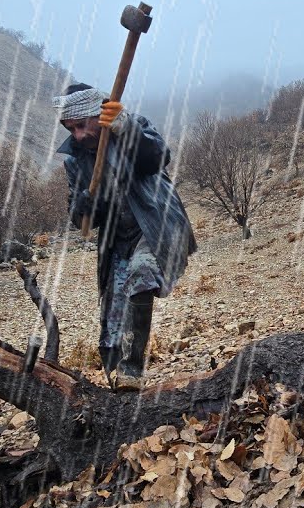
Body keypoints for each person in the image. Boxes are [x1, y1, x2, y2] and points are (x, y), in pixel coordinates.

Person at [53, 83, 196, 391]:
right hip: (117, 242)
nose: (77, 135)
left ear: (96, 114)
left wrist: (126, 128)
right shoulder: (75, 161)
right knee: (113, 322)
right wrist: (82, 206)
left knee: (142, 272)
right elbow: (84, 223)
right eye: (70, 128)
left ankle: (132, 371)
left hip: (155, 226)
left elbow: (158, 157)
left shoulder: (134, 125)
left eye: (81, 125)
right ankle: (117, 387)